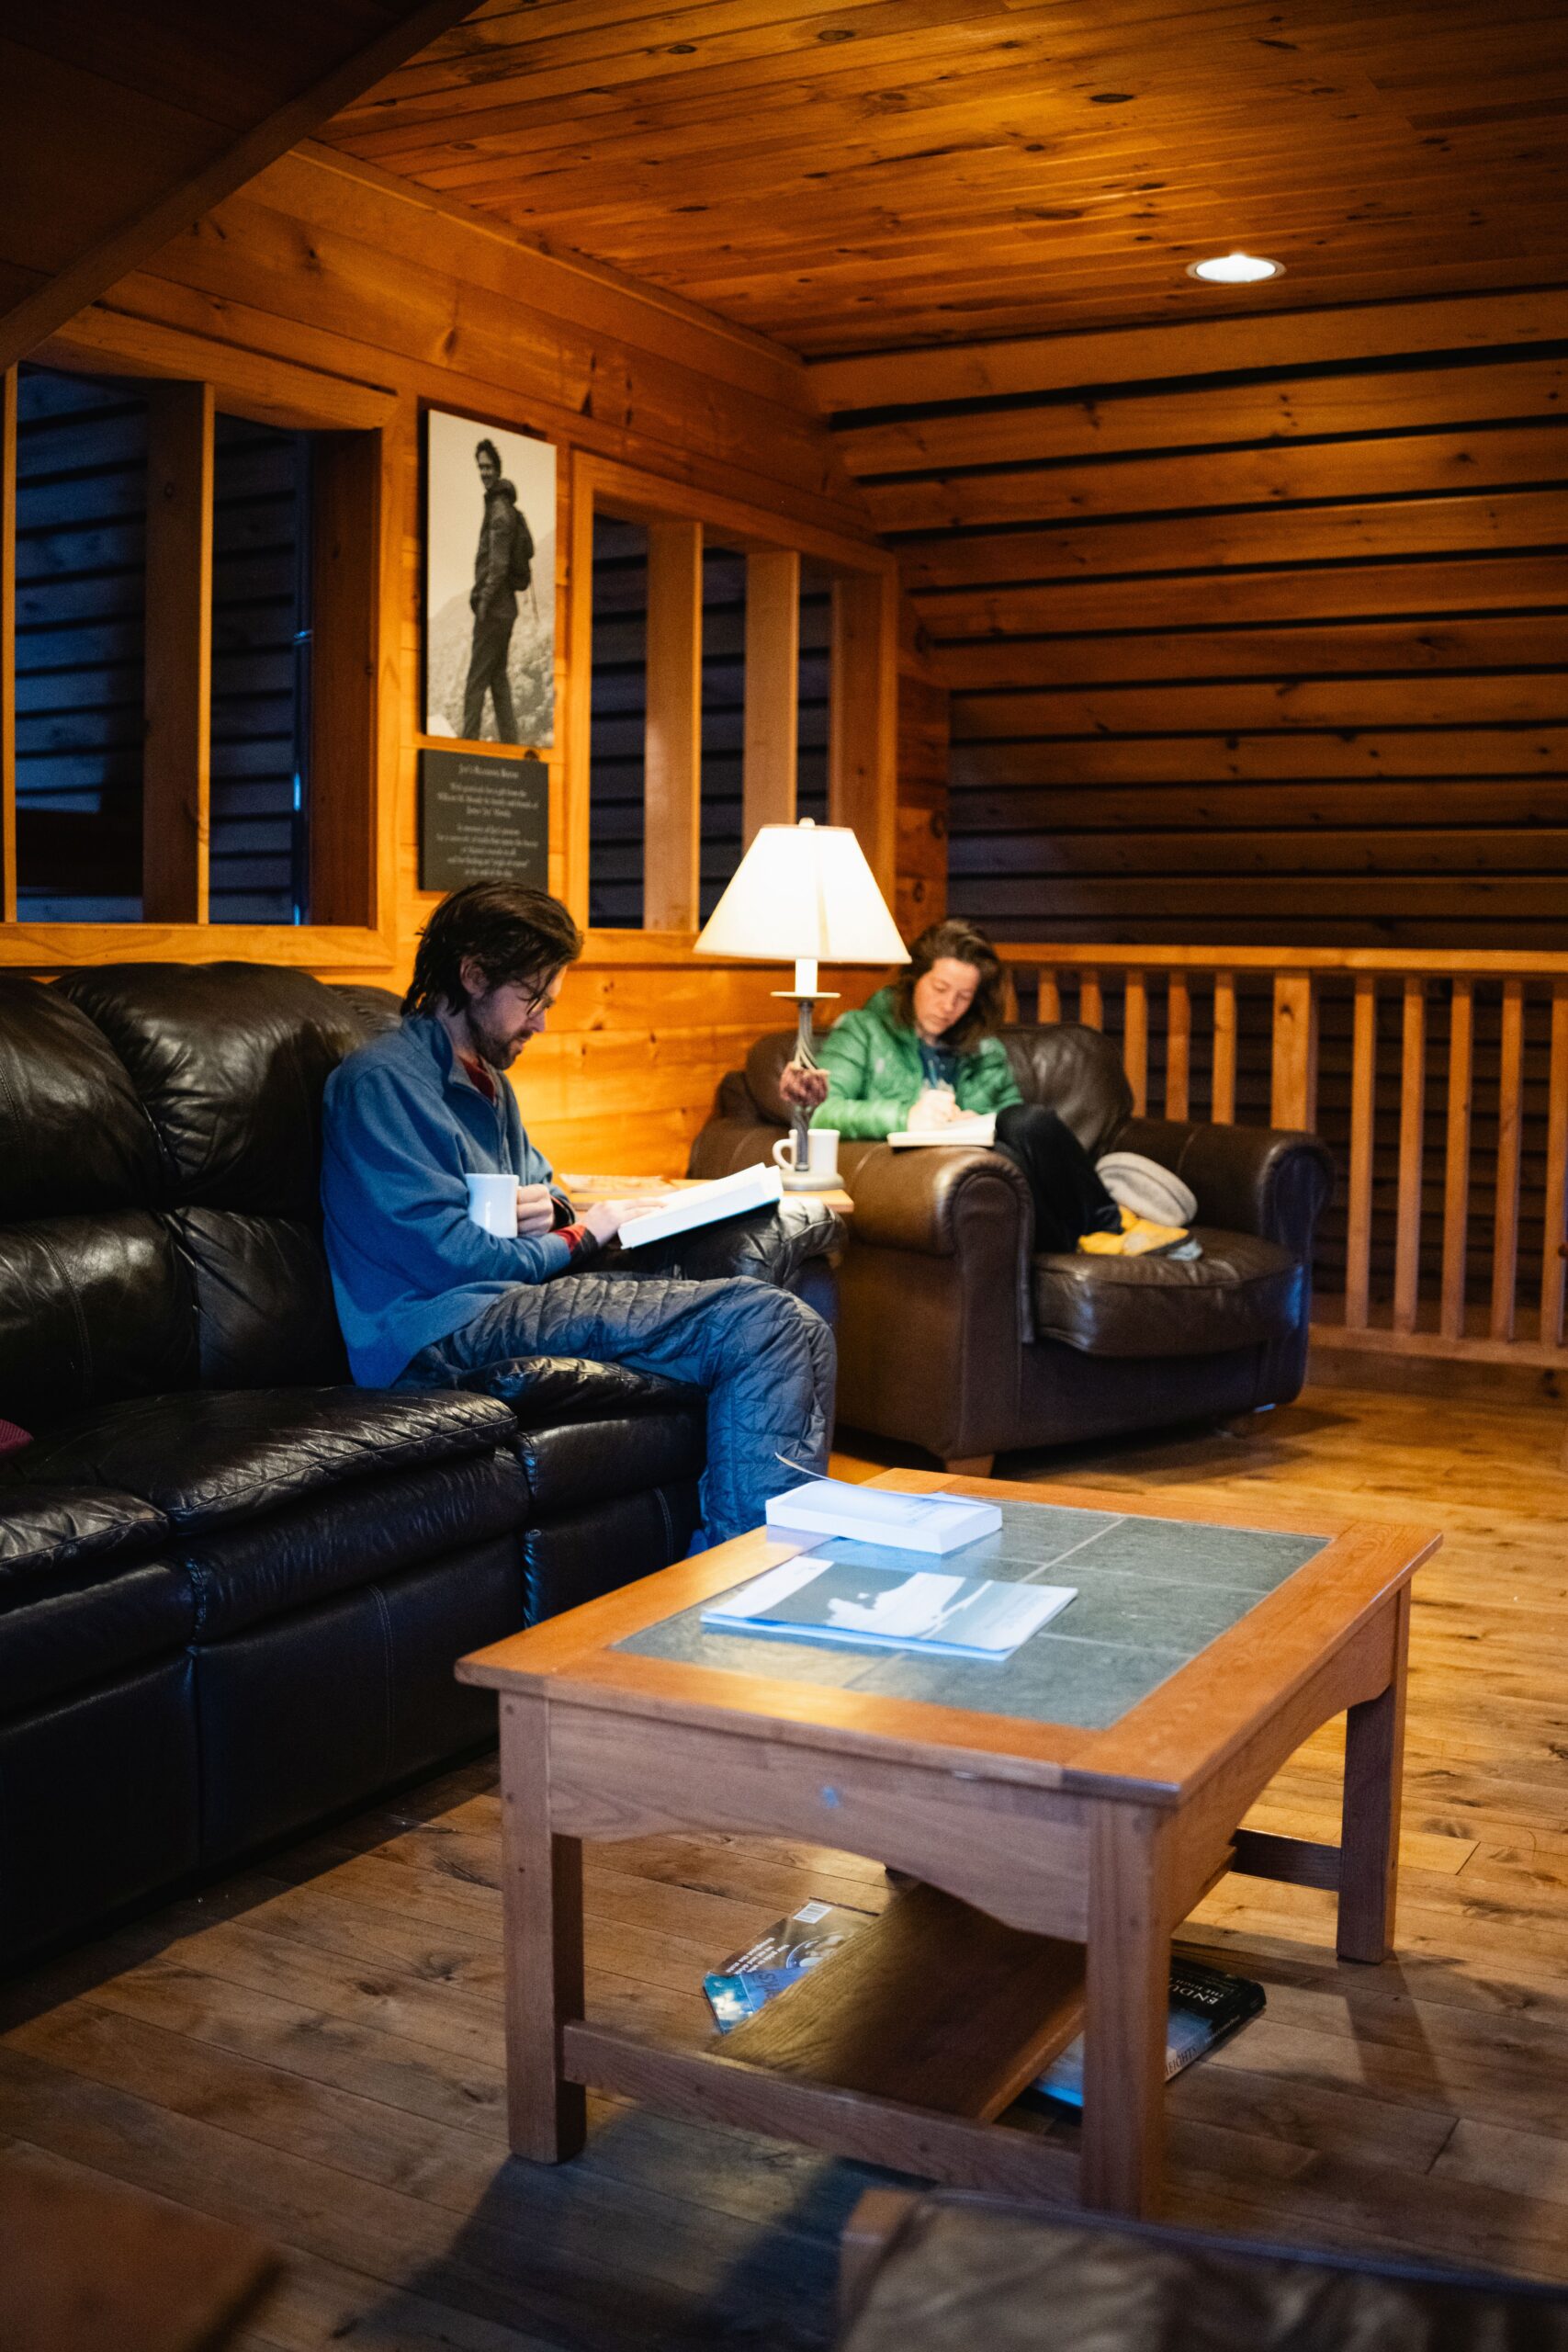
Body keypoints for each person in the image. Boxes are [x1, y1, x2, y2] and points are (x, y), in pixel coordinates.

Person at [321, 882, 835, 1547]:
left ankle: (749, 1561)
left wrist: (557, 1214)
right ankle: (749, 1586)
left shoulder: (487, 1079)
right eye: (531, 999)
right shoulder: (382, 1085)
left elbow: (546, 1189)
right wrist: (579, 1233)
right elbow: (454, 1253)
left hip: (510, 1298)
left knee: (784, 1318)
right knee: (765, 1324)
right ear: (472, 974)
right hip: (439, 1327)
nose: (540, 1023)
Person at [778, 917, 1188, 1257]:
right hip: (919, 1170)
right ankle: (1111, 1222)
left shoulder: (982, 1048)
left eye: (964, 997)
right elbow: (824, 1111)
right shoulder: (864, 1030)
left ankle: (1097, 1227)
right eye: (940, 989)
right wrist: (906, 1116)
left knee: (1025, 1123)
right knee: (1015, 1139)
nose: (948, 1006)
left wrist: (981, 1120)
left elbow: (1018, 1121)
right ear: (912, 980)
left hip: (998, 1180)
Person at [461, 438, 530, 743]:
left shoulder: (500, 511)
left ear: (497, 468)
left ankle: (466, 746)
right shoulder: (500, 505)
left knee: (475, 682)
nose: (484, 472)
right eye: (480, 467)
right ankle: (511, 745)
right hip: (506, 610)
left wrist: (483, 602)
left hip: (495, 608)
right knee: (498, 681)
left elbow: (498, 566)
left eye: (488, 466)